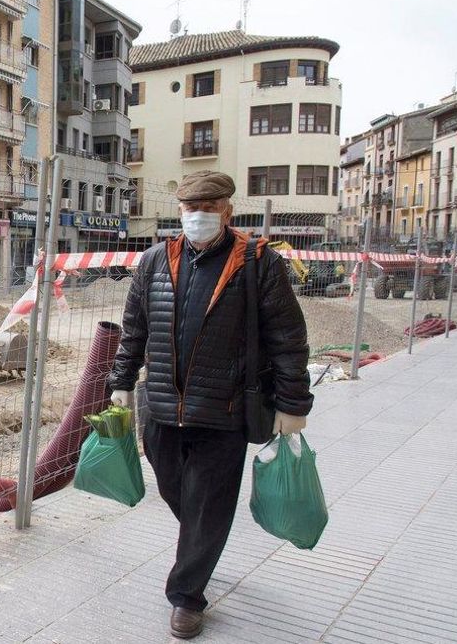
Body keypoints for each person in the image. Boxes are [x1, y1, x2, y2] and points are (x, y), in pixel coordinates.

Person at [107, 170, 313, 639]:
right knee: (178, 493)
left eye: (208, 208)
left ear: (227, 211)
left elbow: (288, 338)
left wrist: (293, 403)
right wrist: (121, 380)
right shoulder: (156, 260)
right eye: (189, 209)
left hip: (224, 410)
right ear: (179, 211)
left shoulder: (258, 263)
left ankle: (186, 595)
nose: (197, 217)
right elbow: (134, 327)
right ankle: (203, 541)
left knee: (207, 505)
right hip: (161, 407)